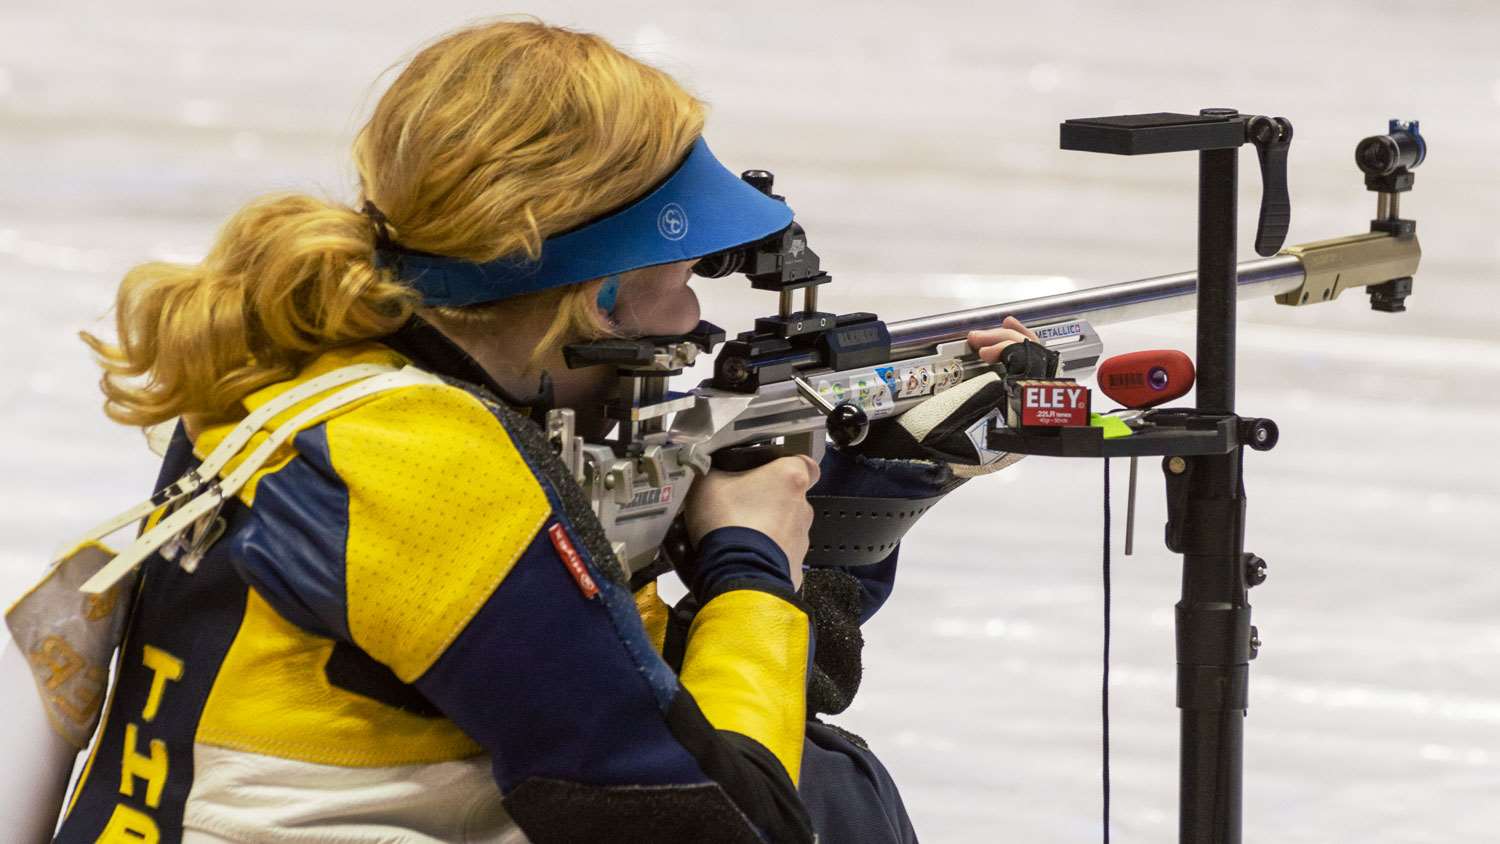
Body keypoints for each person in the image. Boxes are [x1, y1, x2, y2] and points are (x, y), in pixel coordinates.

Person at [46, 19, 1041, 843]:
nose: (696, 313)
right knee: (834, 795)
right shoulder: (437, 471)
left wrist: (868, 496)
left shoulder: (308, 377)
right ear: (603, 289)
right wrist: (748, 561)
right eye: (687, 269)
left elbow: (659, 703)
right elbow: (728, 824)